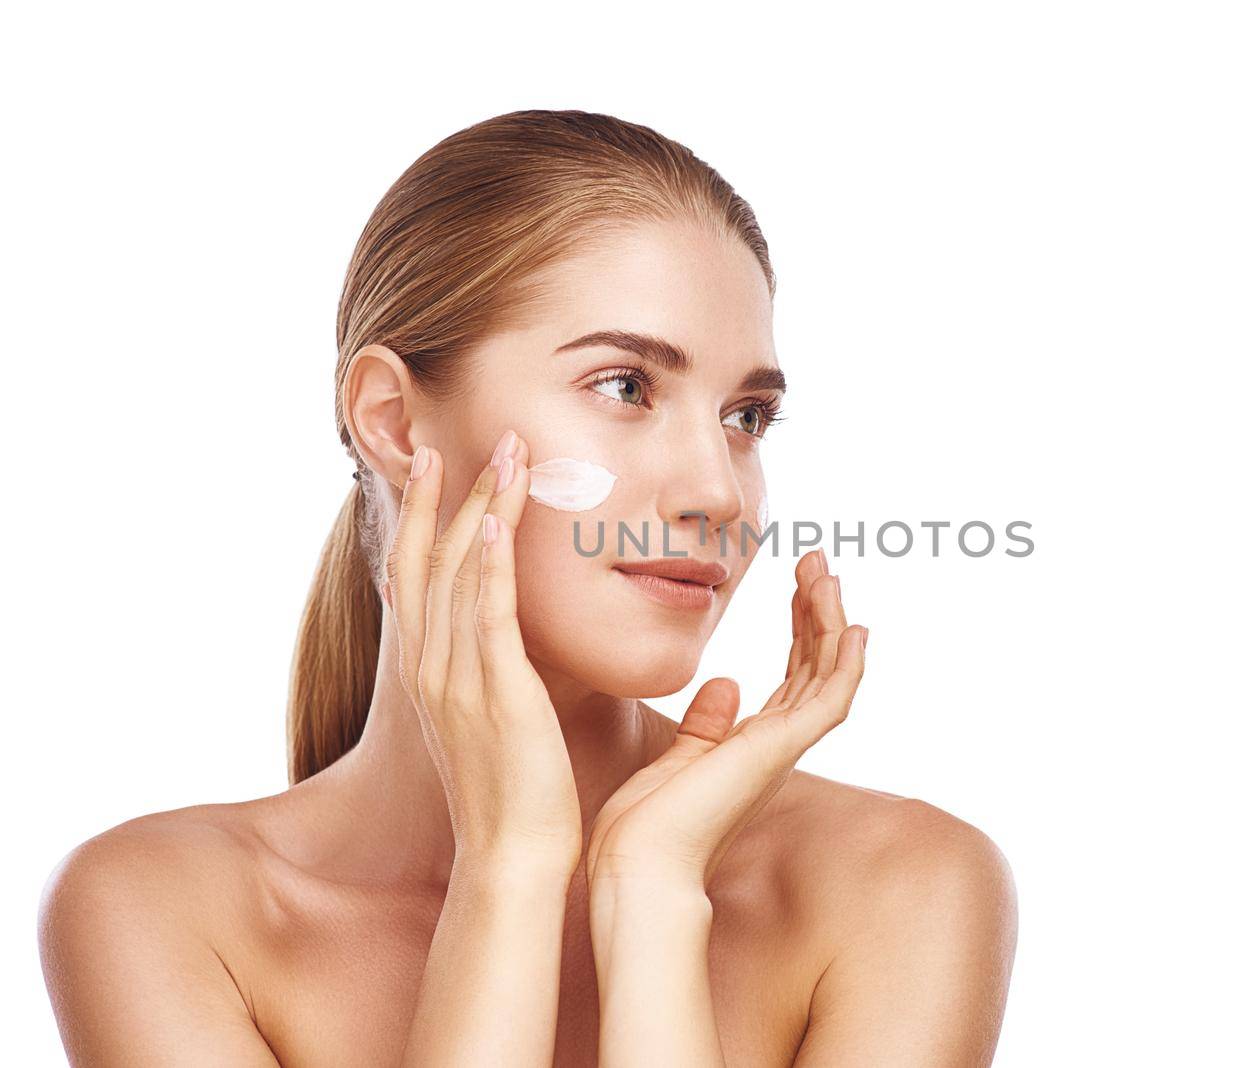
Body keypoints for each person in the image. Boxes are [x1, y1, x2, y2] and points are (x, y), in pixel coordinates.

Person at [38, 109, 1018, 1066]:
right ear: (392, 419)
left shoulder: (900, 887)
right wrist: (508, 871)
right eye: (624, 386)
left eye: (747, 415)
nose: (719, 492)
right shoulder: (166, 913)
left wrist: (653, 895)